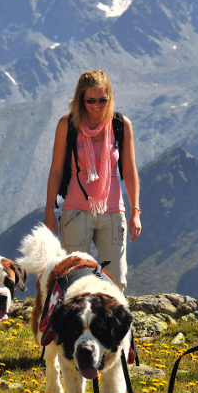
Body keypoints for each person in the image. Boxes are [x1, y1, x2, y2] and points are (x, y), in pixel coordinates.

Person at [42, 70, 141, 290]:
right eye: (90, 100)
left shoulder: (120, 124)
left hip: (113, 212)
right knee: (73, 280)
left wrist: (135, 210)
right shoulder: (67, 124)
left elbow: (130, 170)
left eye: (102, 100)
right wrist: (49, 211)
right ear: (81, 99)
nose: (97, 105)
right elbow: (56, 170)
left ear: (110, 97)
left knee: (116, 281)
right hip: (76, 211)